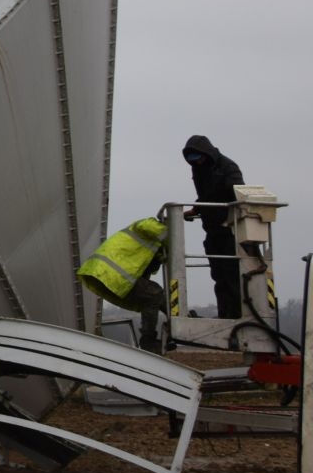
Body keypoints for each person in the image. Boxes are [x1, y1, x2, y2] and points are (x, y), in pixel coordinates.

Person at [78, 216, 168, 352]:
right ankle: (148, 341)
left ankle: (182, 320)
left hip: (102, 274)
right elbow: (155, 230)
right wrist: (174, 229)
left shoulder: (152, 246)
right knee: (154, 293)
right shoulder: (150, 225)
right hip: (109, 273)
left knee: (155, 296)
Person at [181, 134, 244, 318]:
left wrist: (210, 207)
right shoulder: (199, 170)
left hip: (229, 230)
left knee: (231, 275)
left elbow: (236, 194)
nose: (196, 162)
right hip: (212, 230)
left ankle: (236, 316)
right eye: (191, 159)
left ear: (206, 153)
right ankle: (225, 315)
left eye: (198, 157)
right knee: (219, 277)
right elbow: (207, 195)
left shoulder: (228, 167)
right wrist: (197, 208)